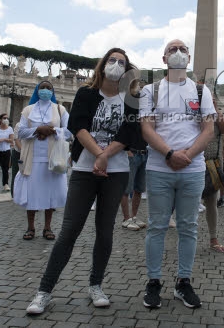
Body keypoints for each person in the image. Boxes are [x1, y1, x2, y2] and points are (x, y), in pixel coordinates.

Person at [26, 48, 138, 314]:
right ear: (102, 66)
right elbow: (78, 125)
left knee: (105, 231)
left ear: (127, 70)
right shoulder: (86, 93)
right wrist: (99, 155)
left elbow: (129, 132)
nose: (116, 65)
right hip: (85, 168)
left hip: (117, 170)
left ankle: (95, 284)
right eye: (112, 60)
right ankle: (44, 290)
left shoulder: (132, 99)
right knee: (69, 231)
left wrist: (106, 156)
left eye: (121, 62)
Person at [139, 39, 215, 309]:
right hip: (160, 167)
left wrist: (187, 155)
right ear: (164, 59)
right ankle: (153, 282)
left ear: (189, 57)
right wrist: (171, 154)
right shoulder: (151, 90)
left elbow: (208, 130)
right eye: (173, 49)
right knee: (157, 226)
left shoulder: (200, 90)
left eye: (183, 49)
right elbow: (147, 129)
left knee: (188, 227)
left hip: (192, 169)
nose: (178, 53)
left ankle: (184, 282)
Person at [13, 80, 71, 241]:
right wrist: (37, 129)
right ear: (37, 90)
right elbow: (21, 132)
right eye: (42, 87)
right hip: (32, 158)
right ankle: (30, 227)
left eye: (49, 88)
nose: (45, 90)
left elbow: (69, 131)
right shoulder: (28, 110)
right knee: (31, 194)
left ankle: (47, 227)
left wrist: (52, 131)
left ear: (53, 91)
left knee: (50, 194)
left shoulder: (60, 110)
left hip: (53, 159)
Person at [202, 96, 224, 252]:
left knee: (211, 201)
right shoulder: (194, 114)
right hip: (193, 162)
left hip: (213, 163)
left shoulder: (217, 116)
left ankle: (213, 238)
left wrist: (216, 109)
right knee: (187, 200)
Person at [120, 80, 148, 231]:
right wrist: (126, 149)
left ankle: (134, 216)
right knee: (126, 188)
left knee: (139, 188)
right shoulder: (128, 104)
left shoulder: (148, 107)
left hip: (145, 151)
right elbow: (122, 127)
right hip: (132, 151)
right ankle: (126, 218)